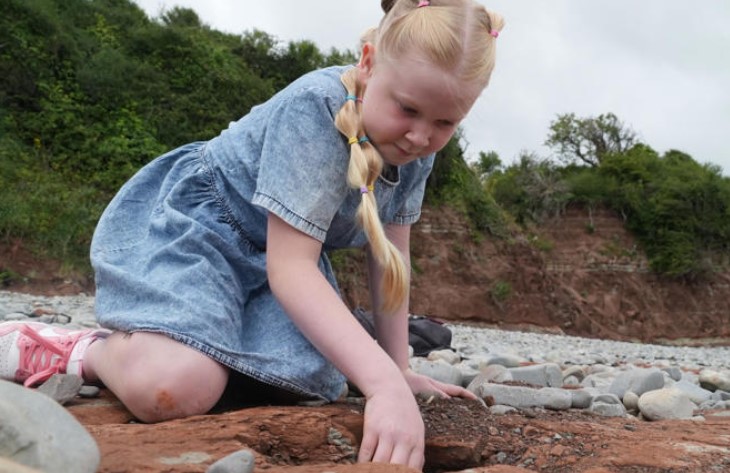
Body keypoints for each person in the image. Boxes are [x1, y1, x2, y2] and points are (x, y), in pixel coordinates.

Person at [0, 0, 503, 468]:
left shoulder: (417, 149)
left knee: (313, 381)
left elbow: (390, 257)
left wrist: (398, 371)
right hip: (200, 231)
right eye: (408, 110)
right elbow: (291, 268)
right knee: (175, 388)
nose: (420, 136)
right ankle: (80, 349)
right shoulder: (315, 109)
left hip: (271, 264)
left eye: (445, 122)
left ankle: (185, 336)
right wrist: (382, 387)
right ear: (369, 63)